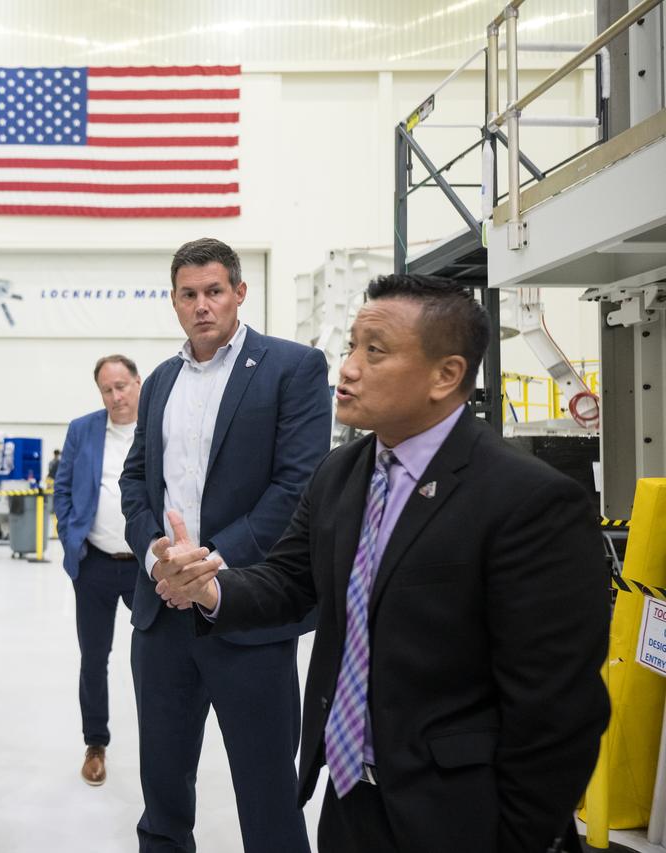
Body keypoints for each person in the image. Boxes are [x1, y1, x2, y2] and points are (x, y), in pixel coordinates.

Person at [159, 274, 610, 853]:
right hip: (350, 800)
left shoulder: (528, 502)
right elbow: (292, 582)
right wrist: (208, 587)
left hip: (463, 816)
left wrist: (518, 835)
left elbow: (557, 713)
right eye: (351, 347)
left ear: (446, 375)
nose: (347, 368)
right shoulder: (341, 474)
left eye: (375, 352)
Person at [121, 238, 330, 853]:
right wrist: (157, 553)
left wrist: (209, 560)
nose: (202, 305)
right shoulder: (159, 380)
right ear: (175, 302)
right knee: (161, 789)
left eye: (215, 291)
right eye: (189, 294)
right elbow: (137, 480)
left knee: (267, 793)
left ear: (240, 293)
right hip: (161, 615)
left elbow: (298, 484)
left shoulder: (292, 367)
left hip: (247, 612)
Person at [53, 354, 143, 786]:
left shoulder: (157, 427)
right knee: (93, 658)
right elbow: (63, 488)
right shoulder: (83, 429)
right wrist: (71, 537)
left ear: (137, 383)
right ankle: (95, 743)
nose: (116, 396)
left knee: (156, 658)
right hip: (95, 564)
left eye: (122, 386)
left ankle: (161, 739)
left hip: (148, 567)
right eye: (107, 389)